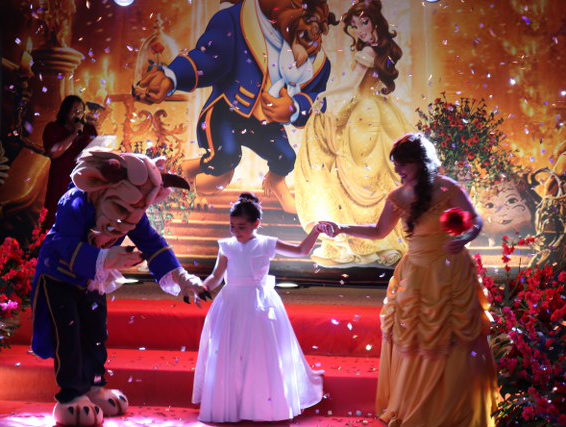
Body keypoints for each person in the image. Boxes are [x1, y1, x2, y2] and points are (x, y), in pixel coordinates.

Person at [322, 134, 498, 427]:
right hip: (416, 274)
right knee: (416, 340)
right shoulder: (398, 196)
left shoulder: (447, 187)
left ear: (420, 162)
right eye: (396, 165)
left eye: (403, 164)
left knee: (454, 338)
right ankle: (418, 405)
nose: (398, 170)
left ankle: (457, 408)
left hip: (451, 271)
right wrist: (341, 228)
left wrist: (465, 236)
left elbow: (475, 220)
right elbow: (378, 231)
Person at [31, 148, 209, 427]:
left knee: (96, 333)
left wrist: (182, 277)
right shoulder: (75, 202)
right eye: (121, 210)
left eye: (136, 214)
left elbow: (152, 242)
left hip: (93, 282)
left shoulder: (132, 207)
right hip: (59, 277)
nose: (127, 222)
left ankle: (94, 388)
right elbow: (62, 245)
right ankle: (71, 397)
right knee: (69, 335)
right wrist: (104, 258)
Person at [133, 0, 338, 213]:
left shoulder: (315, 59)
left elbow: (316, 98)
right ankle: (186, 171)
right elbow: (207, 60)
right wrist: (173, 77)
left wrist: (294, 108)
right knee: (225, 160)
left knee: (286, 157)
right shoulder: (235, 21)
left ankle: (276, 182)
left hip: (265, 122)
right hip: (227, 111)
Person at [192, 193, 329, 423]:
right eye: (232, 226)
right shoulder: (226, 246)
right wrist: (203, 287)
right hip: (231, 303)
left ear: (256, 224)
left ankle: (260, 405)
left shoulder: (267, 243)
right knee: (230, 353)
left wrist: (315, 231)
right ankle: (232, 404)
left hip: (259, 304)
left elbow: (300, 251)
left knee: (259, 353)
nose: (236, 232)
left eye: (242, 227)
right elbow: (217, 276)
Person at [295, 0, 409, 266]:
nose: (360, 30)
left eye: (363, 23)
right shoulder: (383, 49)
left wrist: (322, 94)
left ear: (375, 21)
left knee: (356, 173)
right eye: (355, 26)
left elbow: (350, 85)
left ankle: (366, 242)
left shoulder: (369, 51)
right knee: (374, 175)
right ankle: (380, 243)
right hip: (380, 111)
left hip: (364, 115)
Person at [43, 95, 97, 227]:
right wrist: (74, 134)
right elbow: (53, 153)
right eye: (74, 110)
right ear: (65, 111)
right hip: (60, 179)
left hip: (82, 180)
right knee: (57, 215)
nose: (78, 114)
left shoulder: (89, 129)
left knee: (80, 217)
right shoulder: (53, 128)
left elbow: (95, 152)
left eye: (81, 111)